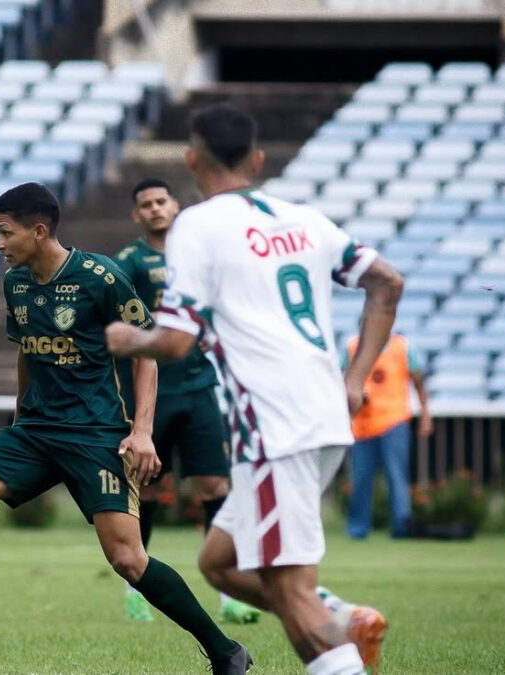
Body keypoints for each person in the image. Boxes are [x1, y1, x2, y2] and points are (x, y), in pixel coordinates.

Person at [0, 182, 252, 674]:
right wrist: (19, 420)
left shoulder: (103, 277)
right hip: (34, 431)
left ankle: (226, 651)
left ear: (39, 231)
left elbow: (147, 355)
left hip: (94, 434)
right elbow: (26, 350)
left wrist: (141, 432)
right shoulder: (15, 283)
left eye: (4, 232)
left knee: (128, 559)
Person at [105, 103, 401, 675]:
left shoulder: (198, 224)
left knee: (290, 592)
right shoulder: (305, 219)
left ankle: (337, 633)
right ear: (258, 159)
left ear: (190, 159)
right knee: (220, 562)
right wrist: (355, 379)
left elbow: (174, 342)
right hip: (322, 416)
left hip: (275, 427)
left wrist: (125, 339)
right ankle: (342, 616)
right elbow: (387, 281)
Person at [114, 177, 260, 625]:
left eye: (162, 200)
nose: (156, 209)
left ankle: (229, 593)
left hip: (199, 388)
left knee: (215, 485)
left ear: (175, 204)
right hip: (154, 394)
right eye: (147, 205)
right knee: (152, 487)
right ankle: (136, 585)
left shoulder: (199, 255)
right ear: (137, 215)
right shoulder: (129, 263)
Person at [341, 332, 433, 539]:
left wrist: (425, 413)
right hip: (363, 424)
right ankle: (357, 530)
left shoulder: (403, 347)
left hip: (394, 421)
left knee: (396, 477)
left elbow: (418, 381)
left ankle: (402, 527)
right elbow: (340, 379)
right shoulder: (351, 346)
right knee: (360, 479)